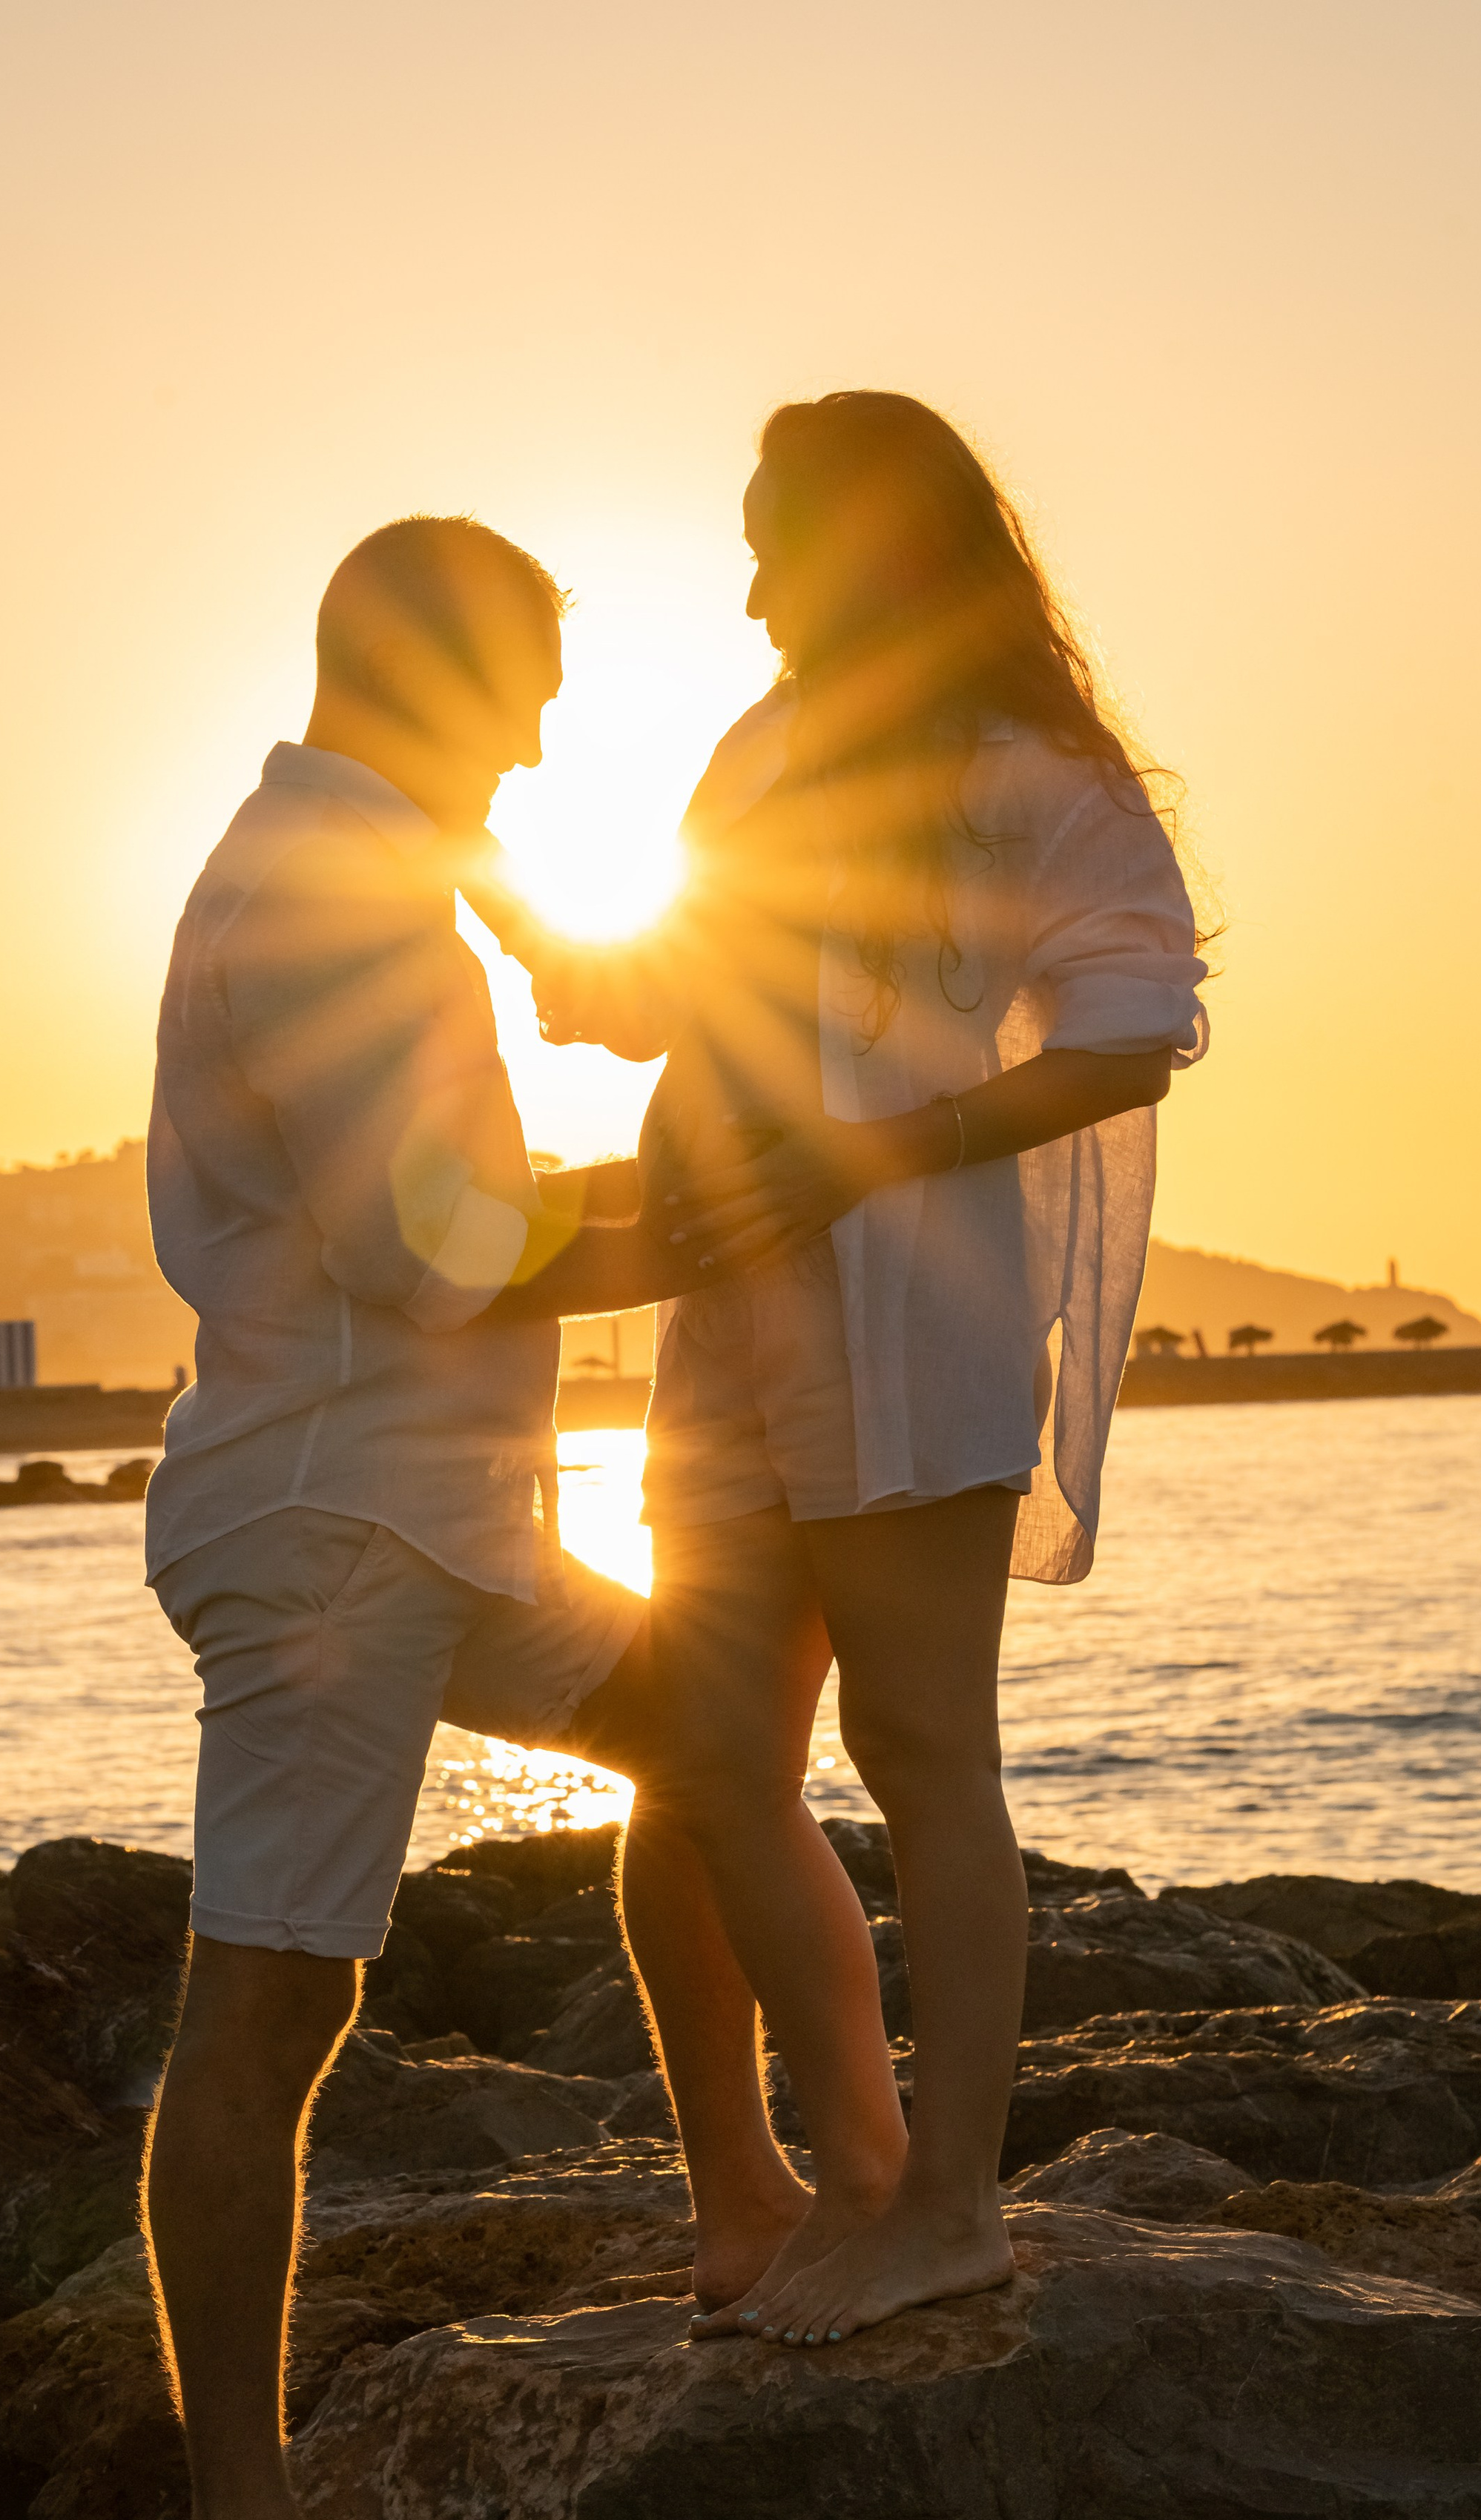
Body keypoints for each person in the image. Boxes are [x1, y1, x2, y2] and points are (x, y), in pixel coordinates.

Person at [475, 391, 1210, 2349]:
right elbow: (675, 997)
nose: (745, 579)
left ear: (870, 543)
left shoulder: (1029, 775)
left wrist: (866, 1153)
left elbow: (1133, 1031)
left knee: (920, 1754)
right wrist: (519, 913)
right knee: (698, 1760)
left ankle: (952, 2206)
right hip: (729, 1335)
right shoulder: (761, 750)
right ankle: (756, 2192)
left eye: (772, 538)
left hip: (915, 1328)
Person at [139, 516, 699, 2520]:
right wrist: (739, 1215)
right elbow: (431, 1247)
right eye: (530, 698)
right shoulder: (329, 897)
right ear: (442, 677)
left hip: (432, 1519)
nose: (544, 742)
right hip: (334, 1535)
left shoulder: (355, 872)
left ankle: (749, 2210)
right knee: (268, 2008)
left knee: (707, 1728)